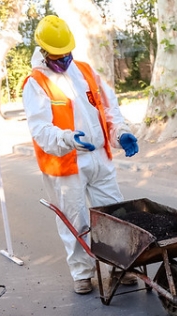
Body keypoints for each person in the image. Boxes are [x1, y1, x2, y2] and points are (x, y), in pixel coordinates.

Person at [22, 15, 139, 295]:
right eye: (57, 56)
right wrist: (67, 139)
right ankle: (82, 273)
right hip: (65, 162)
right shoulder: (36, 82)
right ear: (43, 51)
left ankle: (121, 266)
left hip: (99, 157)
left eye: (66, 54)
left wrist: (120, 133)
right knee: (75, 220)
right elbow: (40, 129)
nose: (63, 60)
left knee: (114, 214)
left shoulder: (85, 71)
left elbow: (109, 109)